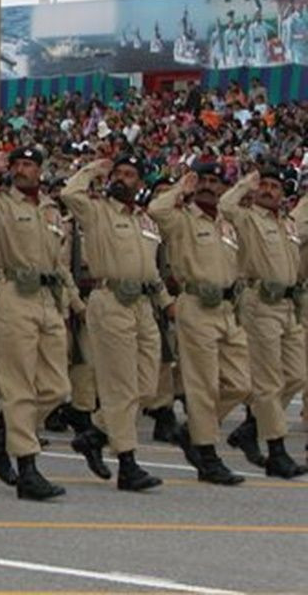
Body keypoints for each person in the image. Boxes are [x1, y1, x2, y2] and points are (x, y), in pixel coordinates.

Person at [0, 146, 70, 500]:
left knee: (56, 386)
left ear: (40, 170)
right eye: (18, 164)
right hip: (15, 295)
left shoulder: (51, 209)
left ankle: (3, 438)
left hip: (47, 299)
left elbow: (58, 261)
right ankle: (27, 469)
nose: (22, 170)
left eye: (29, 165)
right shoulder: (0, 205)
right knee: (19, 385)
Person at [60, 154, 168, 491]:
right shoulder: (97, 211)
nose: (122, 178)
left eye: (129, 174)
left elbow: (150, 268)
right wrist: (93, 170)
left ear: (140, 182)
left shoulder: (145, 220)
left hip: (143, 304)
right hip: (111, 301)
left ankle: (95, 433)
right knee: (121, 387)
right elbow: (69, 194)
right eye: (118, 173)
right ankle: (127, 464)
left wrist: (165, 301)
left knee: (147, 387)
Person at [146, 162, 248, 484]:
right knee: (203, 385)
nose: (207, 185)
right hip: (196, 305)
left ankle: (193, 431)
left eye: (213, 181)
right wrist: (181, 187)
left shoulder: (226, 224)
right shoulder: (182, 218)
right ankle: (207, 455)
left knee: (241, 383)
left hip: (226, 309)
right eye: (202, 180)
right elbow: (155, 209)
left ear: (222, 187)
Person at [222, 165, 308, 478]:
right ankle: (276, 451)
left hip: (287, 305)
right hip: (260, 302)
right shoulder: (247, 218)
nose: (269, 190)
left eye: (275, 186)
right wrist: (247, 184)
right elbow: (226, 206)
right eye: (265, 185)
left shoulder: (287, 224)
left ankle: (251, 427)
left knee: (297, 376)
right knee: (269, 382)